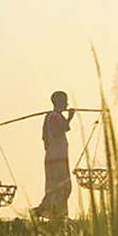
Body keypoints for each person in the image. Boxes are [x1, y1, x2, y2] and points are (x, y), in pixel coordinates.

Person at [33, 91, 75, 220]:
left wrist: (67, 119)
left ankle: (59, 215)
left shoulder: (53, 116)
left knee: (59, 187)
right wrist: (69, 118)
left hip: (57, 157)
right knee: (61, 188)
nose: (67, 104)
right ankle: (43, 210)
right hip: (56, 159)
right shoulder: (53, 117)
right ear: (59, 103)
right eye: (64, 101)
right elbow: (57, 132)